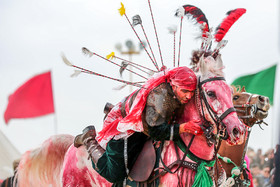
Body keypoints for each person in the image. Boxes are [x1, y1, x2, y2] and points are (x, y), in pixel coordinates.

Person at [74, 66, 203, 185]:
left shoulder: (173, 91)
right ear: (173, 86)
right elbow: (154, 131)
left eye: (192, 91)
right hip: (125, 128)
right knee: (115, 174)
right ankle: (88, 139)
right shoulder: (159, 97)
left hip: (145, 125)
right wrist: (182, 128)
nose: (189, 96)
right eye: (185, 91)